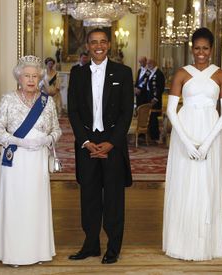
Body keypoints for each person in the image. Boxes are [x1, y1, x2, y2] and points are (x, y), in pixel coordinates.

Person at [162, 27, 222, 261]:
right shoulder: (182, 73)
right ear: (191, 49)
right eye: (197, 48)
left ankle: (206, 245)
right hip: (185, 133)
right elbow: (172, 110)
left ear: (211, 50)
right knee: (184, 184)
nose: (201, 52)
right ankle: (180, 243)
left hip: (210, 134)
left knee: (206, 186)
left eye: (205, 48)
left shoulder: (221, 74)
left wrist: (206, 143)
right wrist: (188, 143)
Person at [67, 28, 134, 264]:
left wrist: (111, 142)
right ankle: (91, 244)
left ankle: (113, 247)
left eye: (103, 42)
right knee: (89, 197)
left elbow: (127, 112)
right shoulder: (77, 74)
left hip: (112, 144)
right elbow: (72, 110)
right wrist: (85, 142)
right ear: (87, 45)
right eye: (94, 42)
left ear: (109, 44)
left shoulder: (123, 72)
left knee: (114, 198)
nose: (98, 46)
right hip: (86, 143)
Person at [0, 55, 62, 266]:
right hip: (16, 159)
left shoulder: (46, 103)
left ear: (40, 78)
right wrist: (16, 141)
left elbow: (56, 129)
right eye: (26, 76)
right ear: (19, 78)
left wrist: (47, 139)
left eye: (34, 76)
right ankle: (14, 254)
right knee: (16, 204)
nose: (30, 80)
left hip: (37, 159)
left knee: (35, 204)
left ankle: (38, 252)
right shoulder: (8, 100)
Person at [146, 58, 165, 142]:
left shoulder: (159, 73)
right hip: (149, 98)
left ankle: (155, 136)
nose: (148, 65)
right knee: (150, 118)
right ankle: (151, 135)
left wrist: (155, 98)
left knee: (154, 118)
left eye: (149, 63)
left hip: (155, 100)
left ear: (153, 63)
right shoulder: (150, 72)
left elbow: (160, 88)